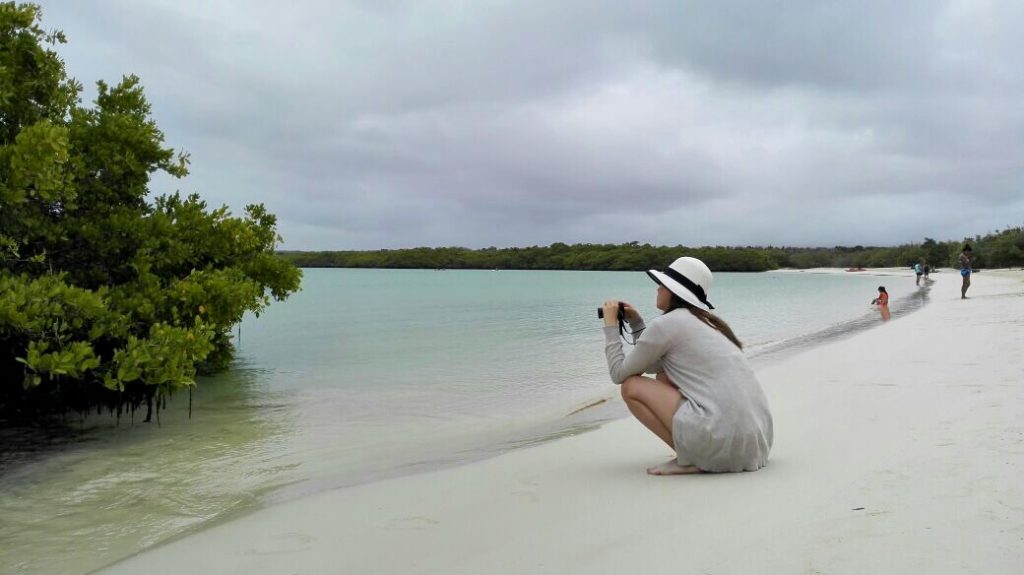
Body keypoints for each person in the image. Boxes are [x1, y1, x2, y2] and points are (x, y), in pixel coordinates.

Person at [601, 256, 773, 475]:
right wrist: (636, 324)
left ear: (673, 291)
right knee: (663, 375)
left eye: (662, 285)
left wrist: (610, 326)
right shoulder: (708, 322)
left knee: (631, 387)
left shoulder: (669, 324)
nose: (657, 289)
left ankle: (693, 459)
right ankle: (695, 452)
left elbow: (619, 374)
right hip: (755, 444)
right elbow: (654, 365)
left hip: (725, 443)